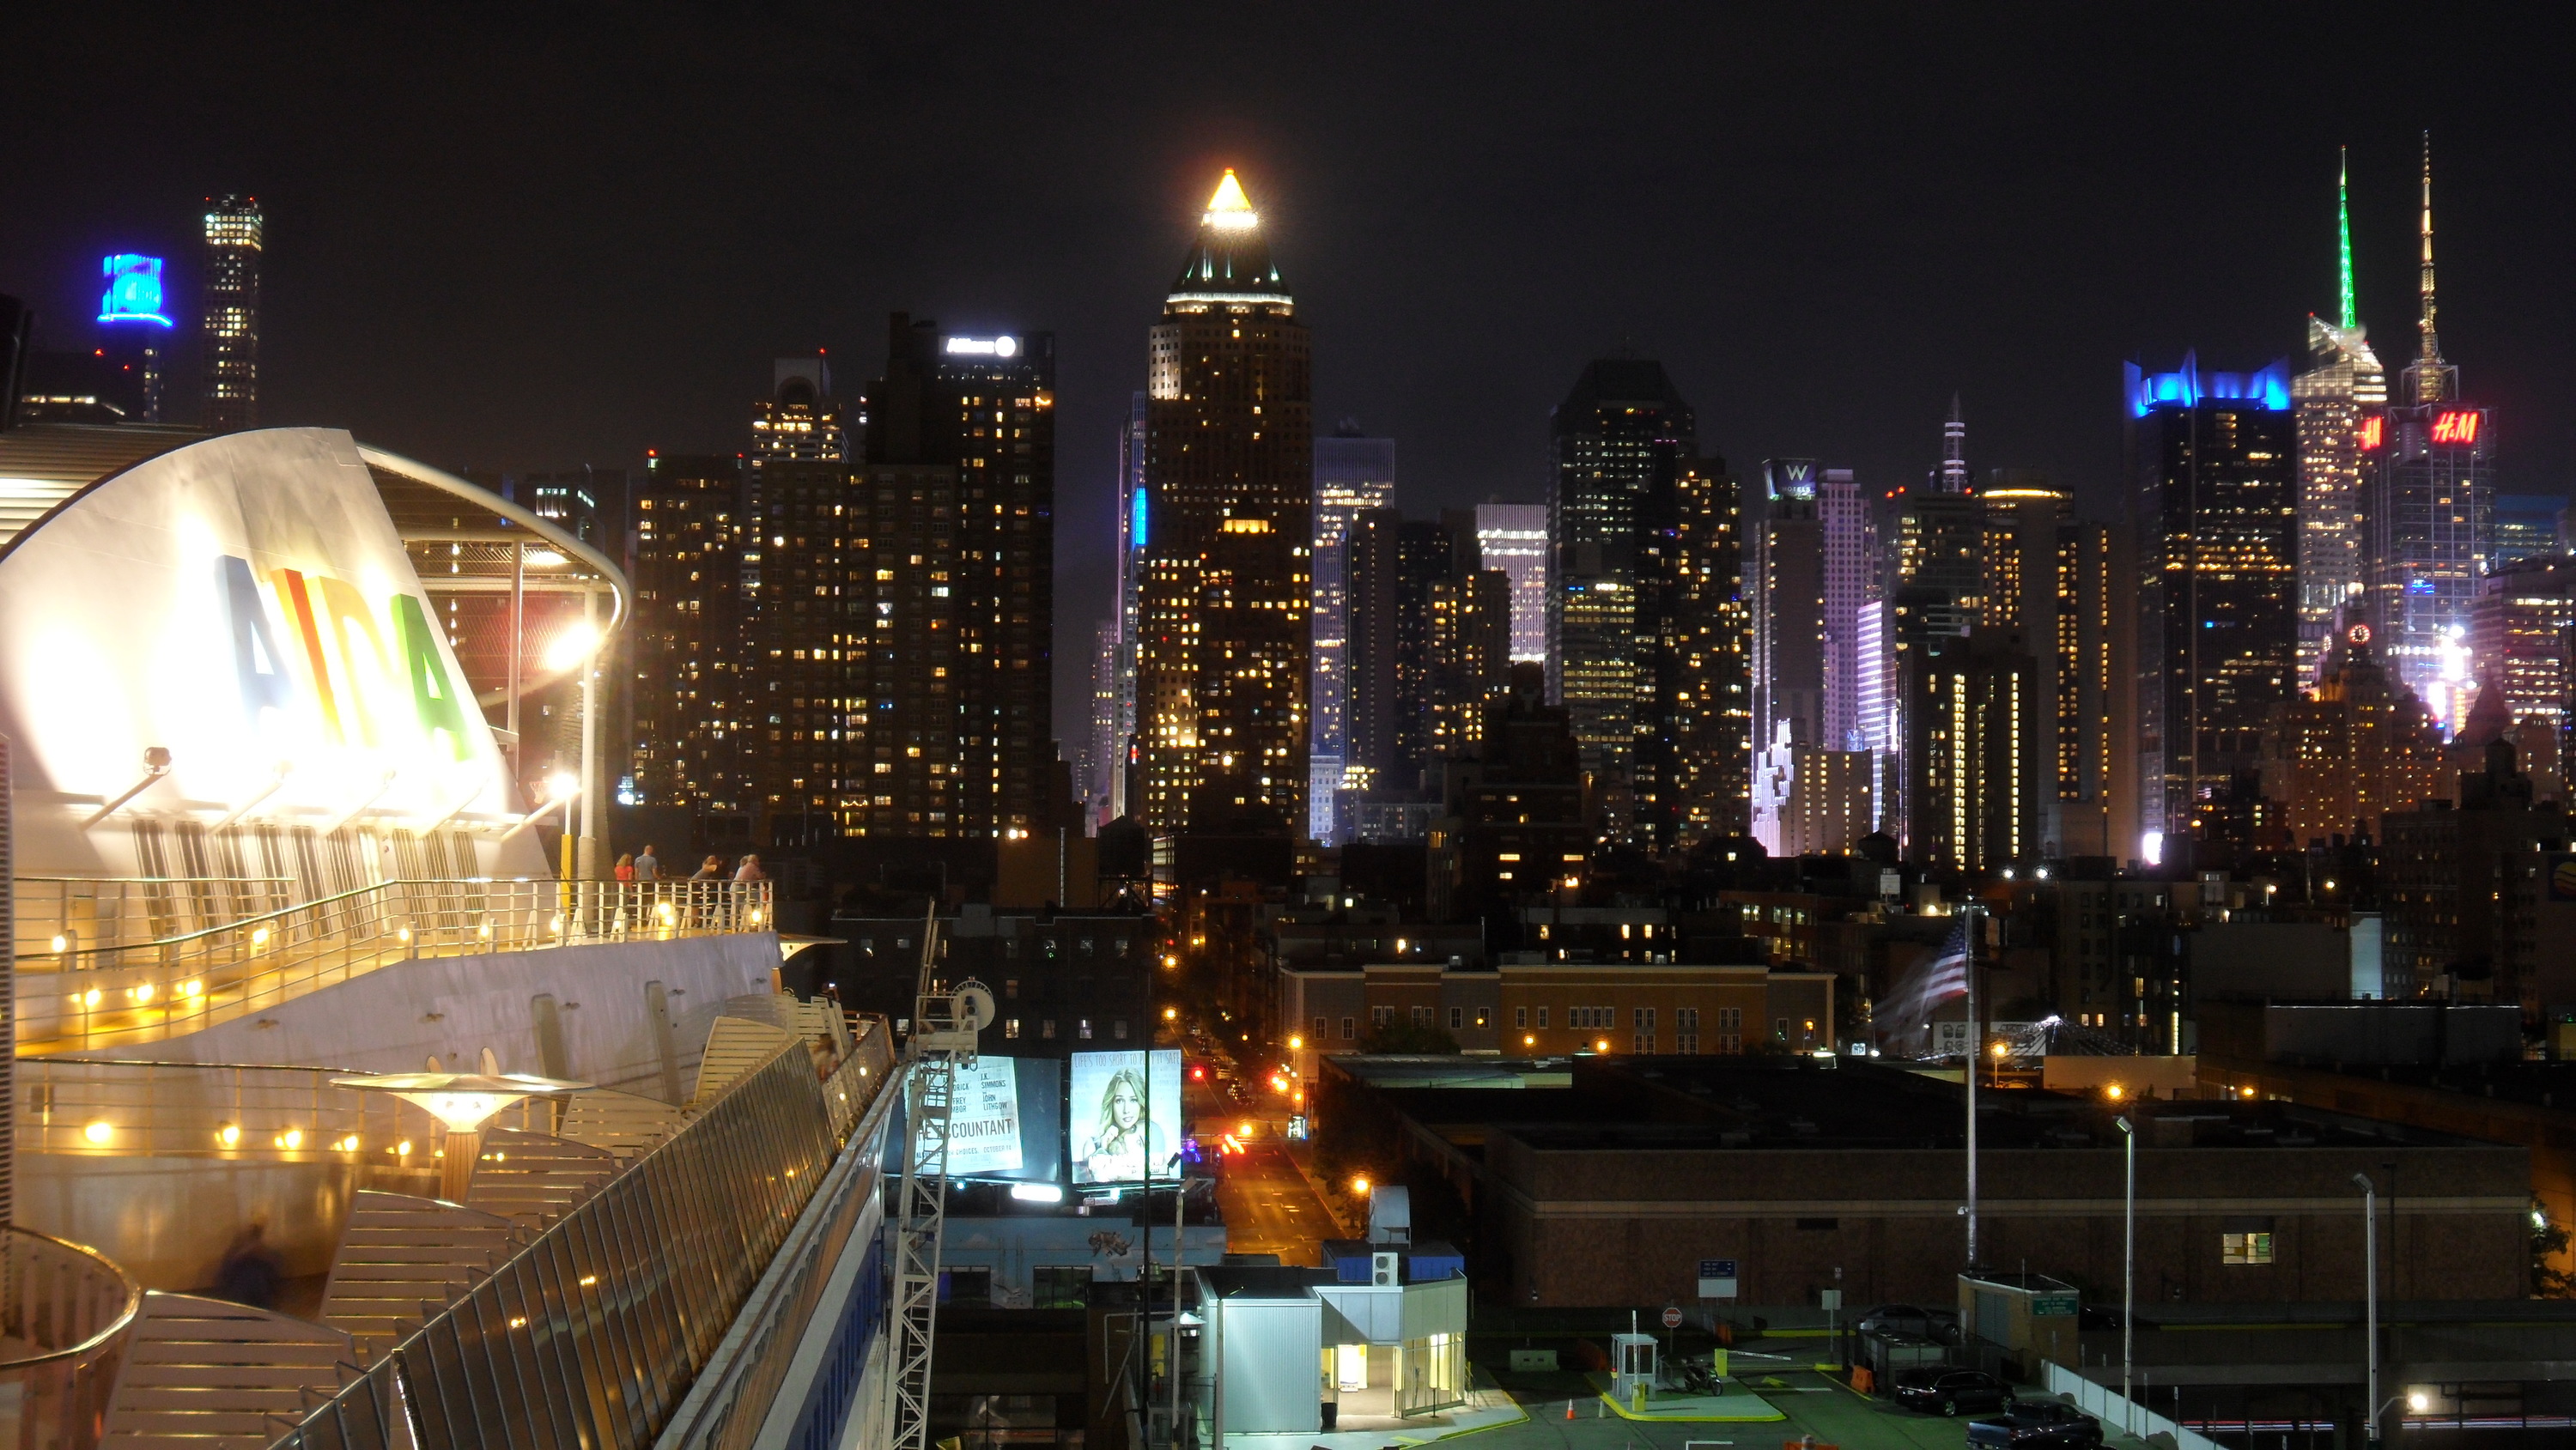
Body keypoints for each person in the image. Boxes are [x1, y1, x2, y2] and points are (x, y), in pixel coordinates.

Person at [1075, 1066, 1172, 1184]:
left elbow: (1161, 1174)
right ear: (1111, 1103)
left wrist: (1121, 1173)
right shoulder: (1093, 1145)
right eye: (1119, 1101)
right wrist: (1103, 1150)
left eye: (1133, 1100)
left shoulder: (1151, 1135)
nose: (1126, 1110)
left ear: (1141, 1103)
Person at [214, 1218, 284, 1308]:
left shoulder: (269, 1254)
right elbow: (224, 1276)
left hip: (259, 1297)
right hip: (242, 1298)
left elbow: (275, 1276)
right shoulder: (234, 1255)